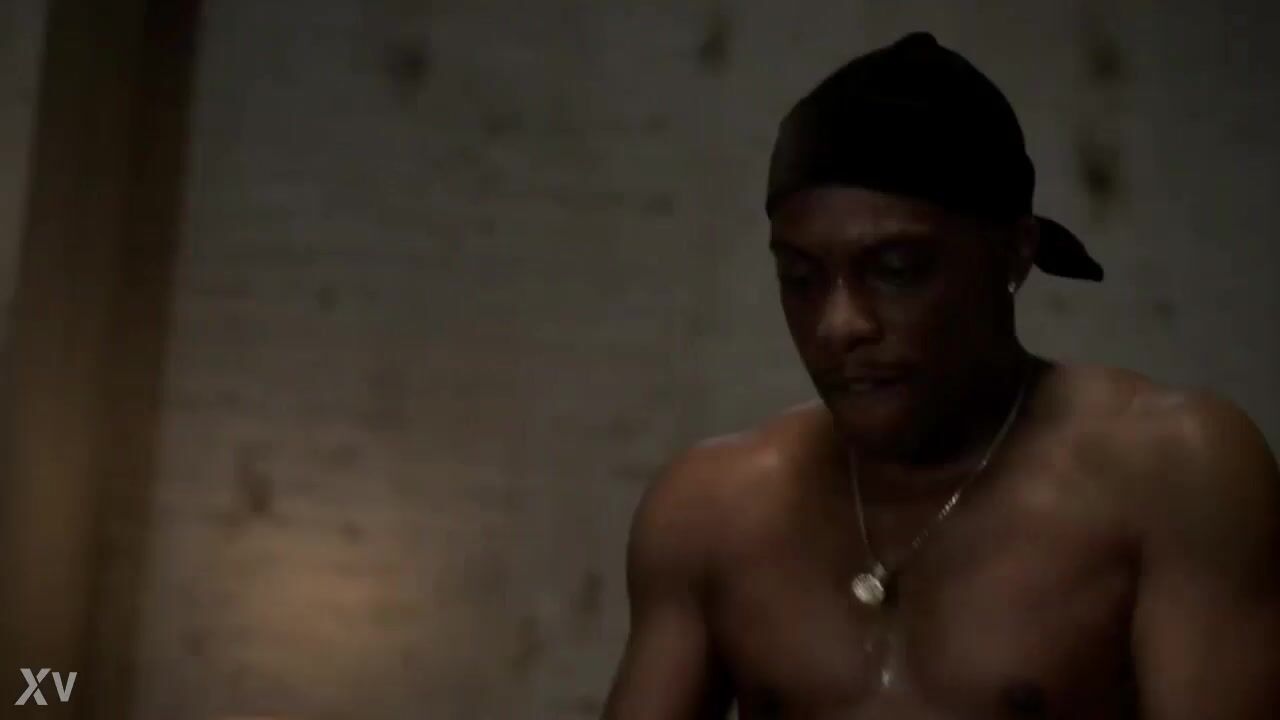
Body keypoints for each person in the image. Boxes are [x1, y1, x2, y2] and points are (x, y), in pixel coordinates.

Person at [601, 32, 1280, 719]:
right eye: (801, 278)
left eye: (896, 270)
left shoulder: (1171, 475)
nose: (839, 325)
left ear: (1014, 255)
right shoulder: (710, 512)